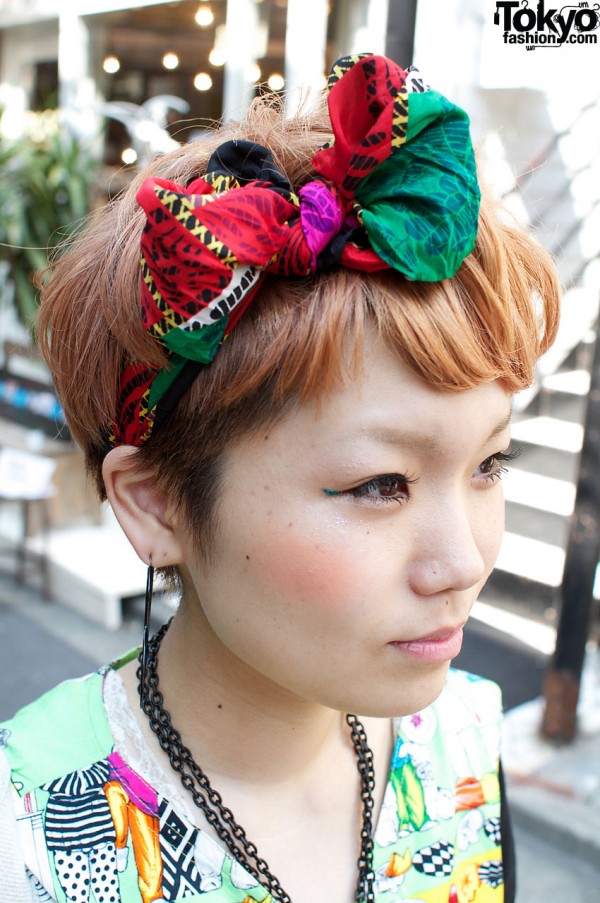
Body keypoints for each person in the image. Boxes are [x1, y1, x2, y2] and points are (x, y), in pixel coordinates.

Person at [0, 53, 560, 903]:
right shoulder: (31, 835)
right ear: (154, 503)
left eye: (489, 463)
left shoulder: (466, 742)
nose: (463, 561)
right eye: (382, 483)